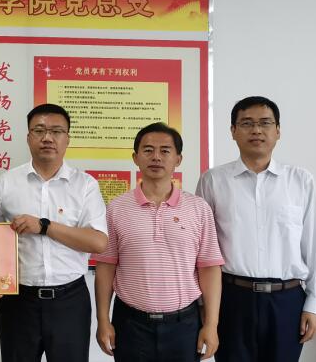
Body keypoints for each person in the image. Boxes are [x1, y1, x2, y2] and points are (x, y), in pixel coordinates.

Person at [196, 96, 316, 362]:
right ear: (233, 131)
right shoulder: (213, 181)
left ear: (278, 131)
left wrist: (315, 303)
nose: (256, 130)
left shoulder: (300, 181)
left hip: (287, 301)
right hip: (231, 299)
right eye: (247, 123)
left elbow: (314, 246)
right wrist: (204, 306)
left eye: (265, 123)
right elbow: (201, 248)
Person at [0, 103, 108, 362]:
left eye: (56, 131)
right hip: (19, 301)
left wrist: (44, 226)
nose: (48, 138)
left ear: (67, 139)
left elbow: (98, 242)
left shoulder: (85, 185)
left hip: (70, 301)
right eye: (39, 131)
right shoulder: (7, 183)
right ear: (28, 137)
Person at [94, 122, 224, 361]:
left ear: (178, 159)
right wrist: (102, 320)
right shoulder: (116, 208)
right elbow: (106, 266)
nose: (156, 157)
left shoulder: (198, 208)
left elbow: (209, 268)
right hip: (130, 324)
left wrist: (211, 324)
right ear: (135, 157)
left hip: (184, 324)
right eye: (148, 150)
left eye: (165, 151)